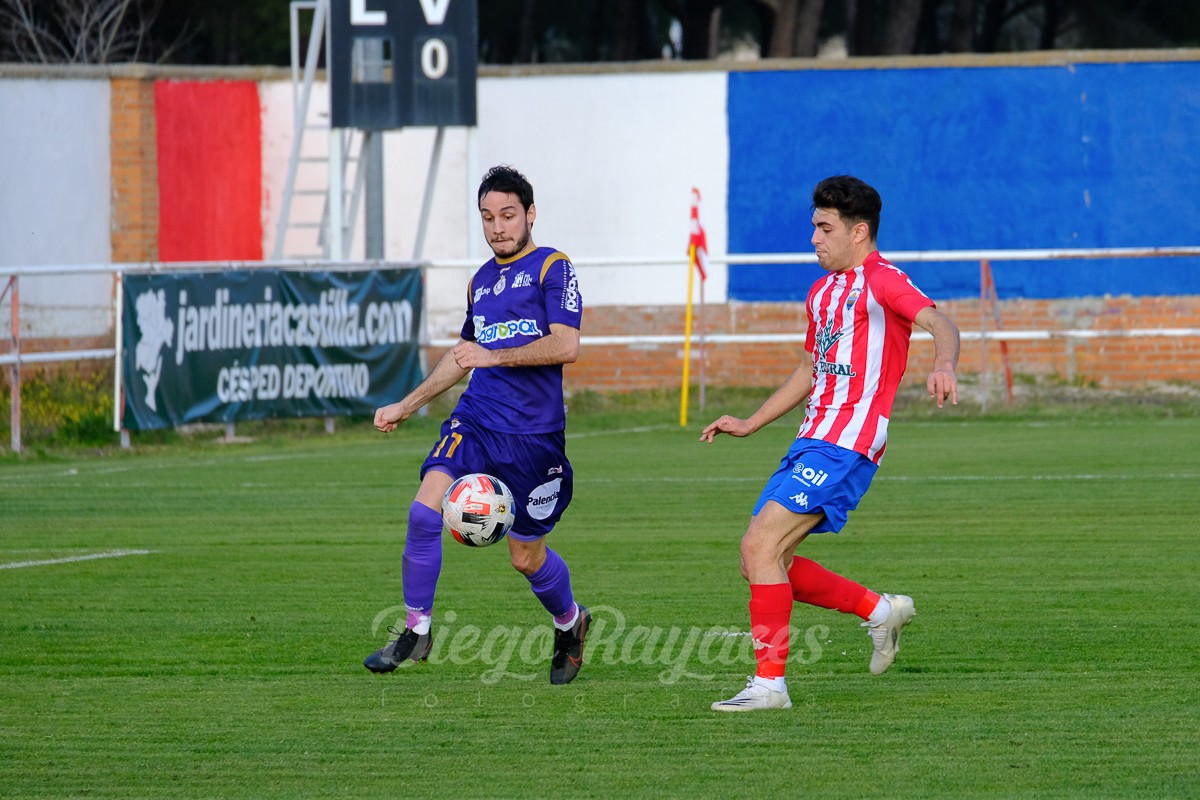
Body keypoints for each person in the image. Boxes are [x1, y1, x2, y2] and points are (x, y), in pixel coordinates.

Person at [701, 175, 960, 711]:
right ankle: (879, 610)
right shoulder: (821, 293)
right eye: (814, 226)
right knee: (761, 561)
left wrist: (944, 362)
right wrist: (751, 422)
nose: (814, 238)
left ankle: (770, 685)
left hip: (849, 442)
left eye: (825, 227)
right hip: (811, 438)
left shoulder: (884, 281)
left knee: (759, 547)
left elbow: (940, 321)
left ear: (859, 232)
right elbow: (809, 370)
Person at [363, 165, 591, 685]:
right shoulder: (481, 281)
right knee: (424, 514)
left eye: (507, 215)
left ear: (530, 215)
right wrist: (406, 403)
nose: (497, 228)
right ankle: (416, 631)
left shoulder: (552, 268)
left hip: (533, 438)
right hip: (476, 419)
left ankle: (570, 623)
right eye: (487, 218)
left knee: (525, 557)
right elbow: (466, 357)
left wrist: (496, 356)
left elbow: (566, 345)